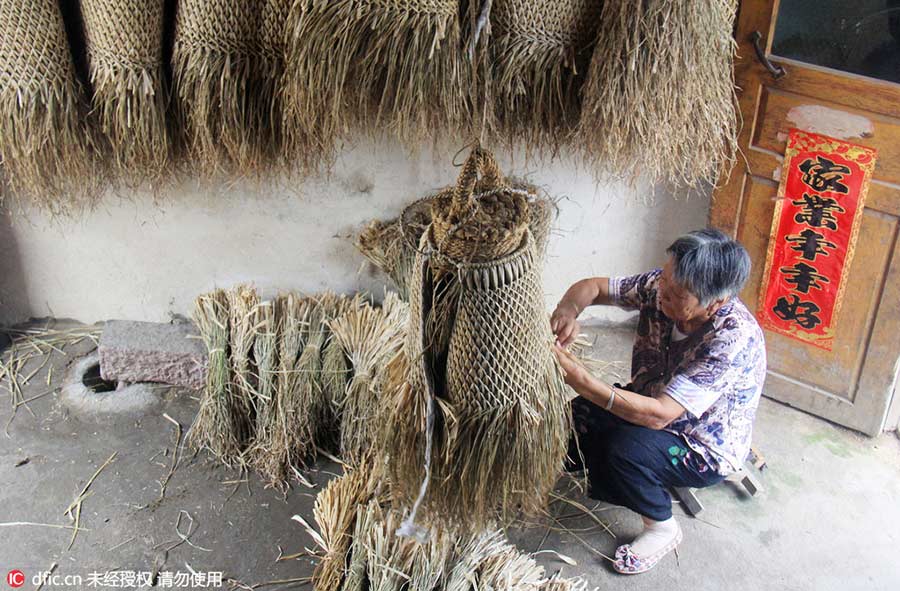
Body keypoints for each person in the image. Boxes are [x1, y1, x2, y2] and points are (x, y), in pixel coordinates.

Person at [550, 228, 766, 575]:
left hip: (700, 444)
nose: (661, 291)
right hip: (651, 399)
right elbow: (593, 287)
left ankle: (661, 527)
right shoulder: (662, 287)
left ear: (715, 303)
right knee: (578, 418)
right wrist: (569, 309)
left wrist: (581, 379)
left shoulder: (732, 339)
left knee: (623, 451)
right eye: (665, 278)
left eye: (677, 292)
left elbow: (659, 416)